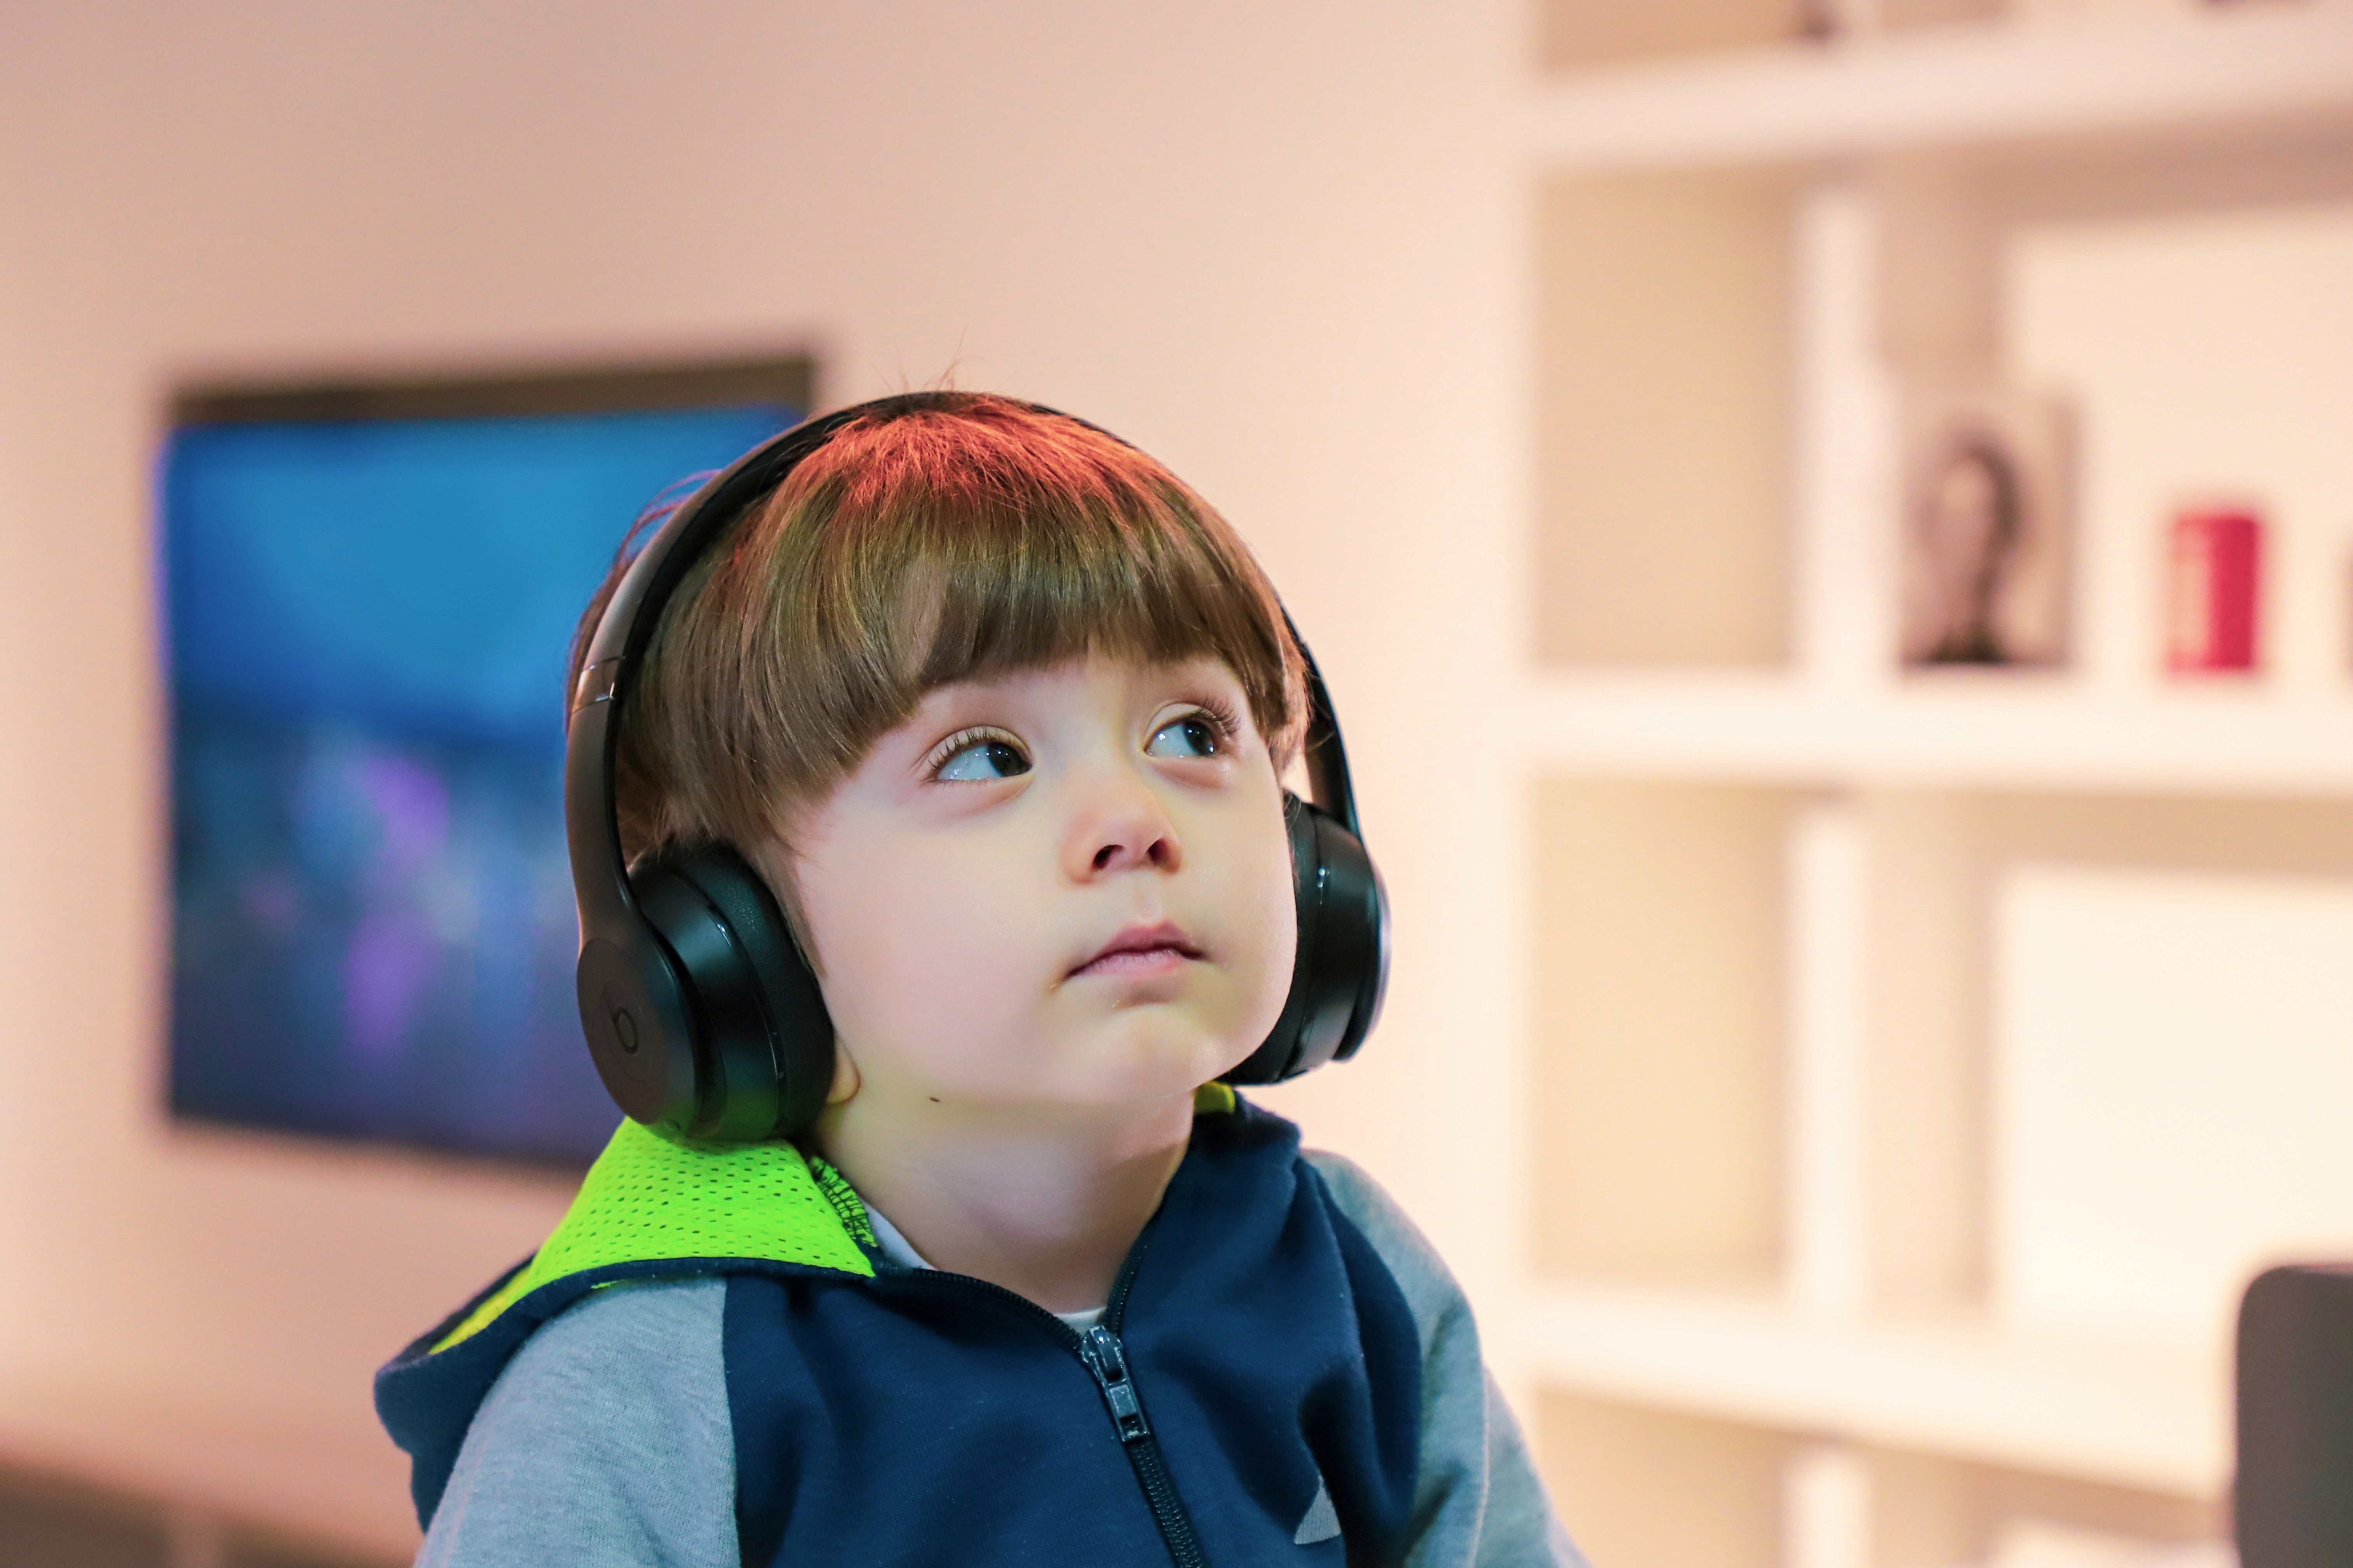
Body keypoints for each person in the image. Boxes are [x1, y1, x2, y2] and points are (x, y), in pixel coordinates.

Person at [374, 392, 1580, 1566]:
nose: (1132, 818)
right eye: (986, 756)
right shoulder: (653, 1390)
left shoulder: (1351, 1270)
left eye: (1192, 733)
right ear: (733, 944)